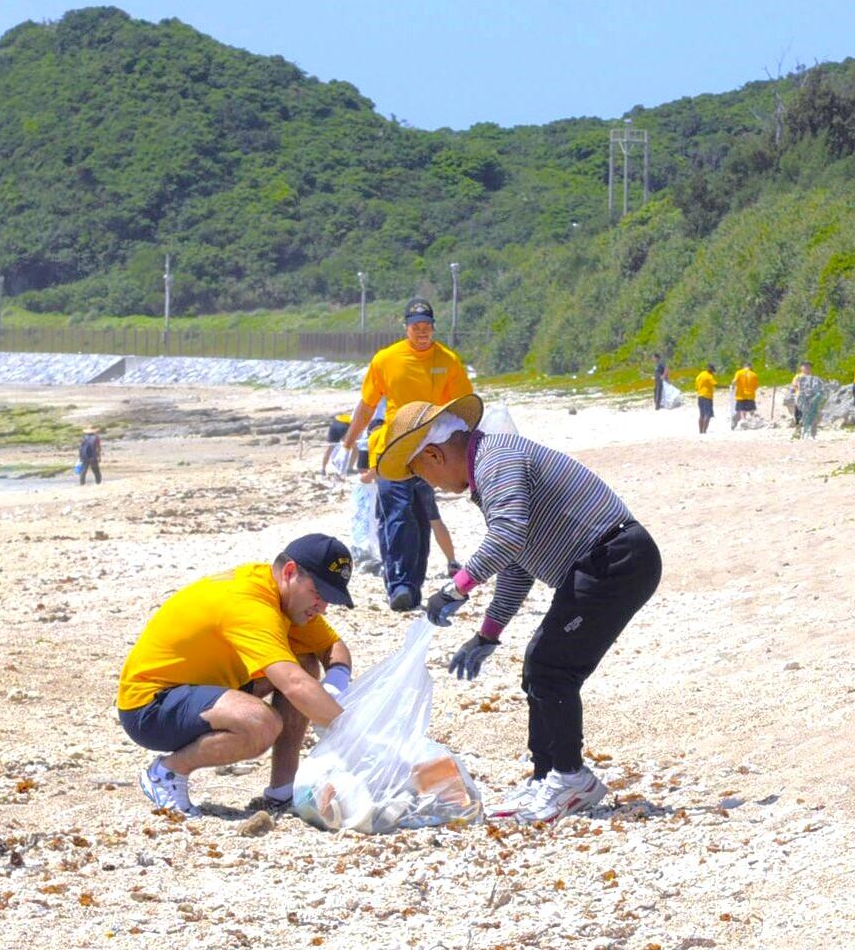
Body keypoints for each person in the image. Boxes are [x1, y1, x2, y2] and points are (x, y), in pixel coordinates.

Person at [378, 395, 663, 825]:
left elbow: (509, 536)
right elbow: (517, 562)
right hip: (600, 564)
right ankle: (546, 775)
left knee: (551, 666)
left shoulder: (497, 460)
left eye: (422, 473)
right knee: (540, 666)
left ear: (434, 454)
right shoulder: (489, 467)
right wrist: (488, 634)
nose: (431, 485)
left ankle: (572, 779)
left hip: (615, 560)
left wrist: (456, 589)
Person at [117, 534, 356, 816]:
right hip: (150, 707)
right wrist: (354, 735)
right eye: (319, 595)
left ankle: (282, 791)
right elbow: (293, 685)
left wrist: (335, 685)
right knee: (261, 724)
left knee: (304, 662)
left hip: (201, 687)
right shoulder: (251, 605)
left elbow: (333, 647)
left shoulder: (280, 592)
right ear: (290, 572)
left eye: (330, 599)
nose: (323, 607)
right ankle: (167, 773)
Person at [341, 299, 473, 610]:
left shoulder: (448, 360)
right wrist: (351, 437)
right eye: (416, 326)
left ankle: (413, 583)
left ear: (433, 327)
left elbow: (463, 407)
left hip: (431, 451)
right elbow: (368, 404)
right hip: (392, 448)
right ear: (406, 327)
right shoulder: (386, 359)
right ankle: (399, 585)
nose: (422, 331)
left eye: (426, 325)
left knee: (419, 516)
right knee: (396, 515)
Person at [788, 362, 823, 440]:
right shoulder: (798, 376)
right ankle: (798, 431)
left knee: (812, 415)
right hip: (800, 397)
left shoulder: (813, 377)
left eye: (809, 366)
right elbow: (794, 385)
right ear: (801, 367)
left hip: (811, 398)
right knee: (798, 414)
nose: (807, 368)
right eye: (805, 366)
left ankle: (811, 433)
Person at [732, 361, 761, 430]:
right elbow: (756, 387)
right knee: (751, 410)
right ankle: (754, 422)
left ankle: (743, 421)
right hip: (750, 395)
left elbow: (734, 381)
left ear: (744, 366)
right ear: (750, 367)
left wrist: (733, 387)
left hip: (741, 395)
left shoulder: (739, 372)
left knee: (742, 409)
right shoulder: (754, 374)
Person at [694, 363, 717, 434]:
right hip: (707, 396)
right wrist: (727, 387)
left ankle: (700, 431)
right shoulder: (709, 376)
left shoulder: (700, 374)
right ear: (711, 370)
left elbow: (696, 384)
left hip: (700, 396)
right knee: (708, 414)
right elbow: (716, 385)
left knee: (701, 414)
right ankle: (704, 431)